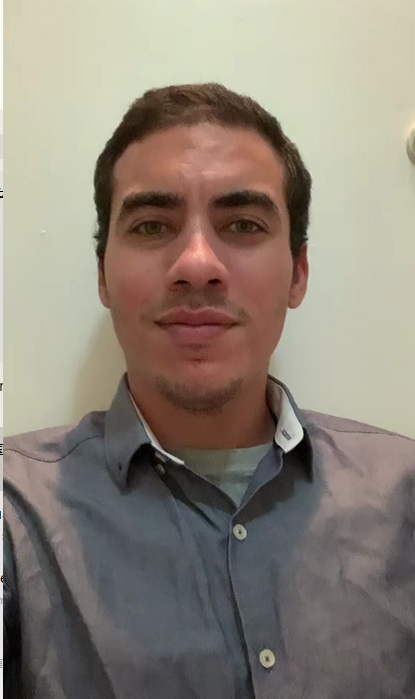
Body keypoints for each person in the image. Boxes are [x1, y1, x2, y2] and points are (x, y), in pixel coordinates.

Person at [4, 82, 415, 699]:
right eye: (151, 225)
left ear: (298, 273)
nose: (197, 263)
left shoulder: (406, 494)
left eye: (243, 224)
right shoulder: (14, 517)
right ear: (102, 276)